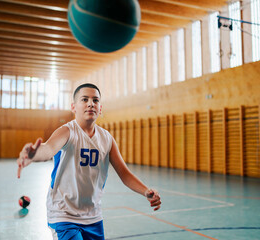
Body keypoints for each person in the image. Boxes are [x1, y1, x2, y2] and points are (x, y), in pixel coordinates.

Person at [17, 83, 161, 240]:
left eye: (95, 100)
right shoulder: (67, 132)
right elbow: (48, 149)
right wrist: (32, 154)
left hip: (93, 216)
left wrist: (146, 191)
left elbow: (124, 174)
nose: (91, 103)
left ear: (100, 108)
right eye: (84, 99)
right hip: (64, 214)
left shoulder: (107, 139)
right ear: (74, 107)